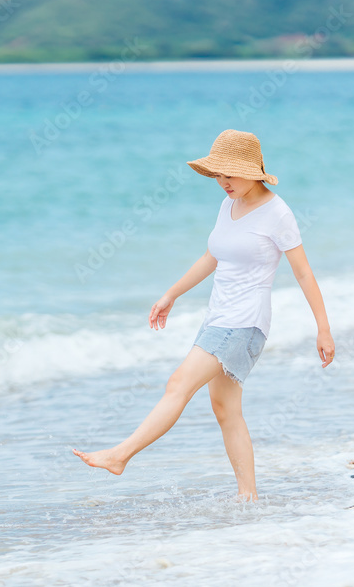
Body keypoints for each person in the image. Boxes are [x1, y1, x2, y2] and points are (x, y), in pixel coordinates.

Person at [73, 129, 335, 501]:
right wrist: (172, 294)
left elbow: (304, 273)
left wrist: (323, 330)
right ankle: (249, 497)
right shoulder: (229, 204)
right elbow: (213, 256)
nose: (222, 182)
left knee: (178, 384)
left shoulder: (278, 213)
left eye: (230, 173)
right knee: (226, 409)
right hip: (218, 318)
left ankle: (120, 456)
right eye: (217, 174)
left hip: (244, 322)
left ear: (253, 170)